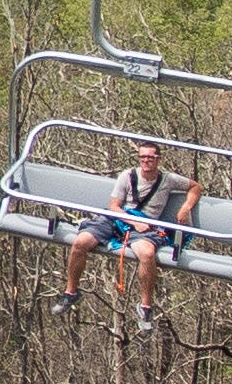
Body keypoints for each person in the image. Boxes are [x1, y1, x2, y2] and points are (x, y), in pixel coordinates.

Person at [59, 142, 202, 332]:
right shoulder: (127, 176)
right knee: (81, 242)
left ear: (158, 159)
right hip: (120, 219)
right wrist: (133, 222)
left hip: (146, 226)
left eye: (150, 157)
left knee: (147, 253)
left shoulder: (168, 180)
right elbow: (114, 206)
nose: (146, 161)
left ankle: (145, 307)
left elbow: (195, 187)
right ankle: (70, 291)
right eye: (142, 157)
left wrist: (185, 208)